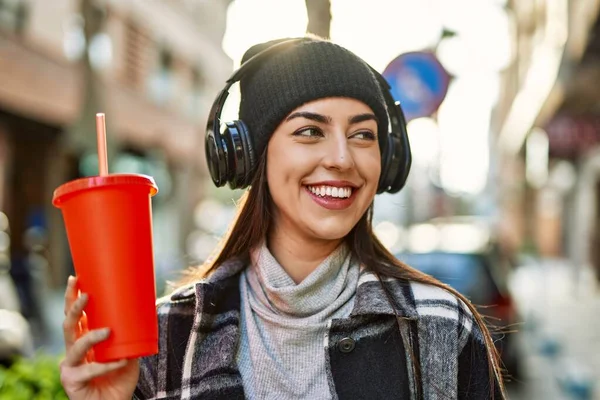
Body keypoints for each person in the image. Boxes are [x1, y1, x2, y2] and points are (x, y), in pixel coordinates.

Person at [60, 36, 506, 399]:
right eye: (309, 131)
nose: (341, 158)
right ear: (249, 157)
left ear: (386, 163)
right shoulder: (165, 339)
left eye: (363, 134)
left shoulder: (441, 328)